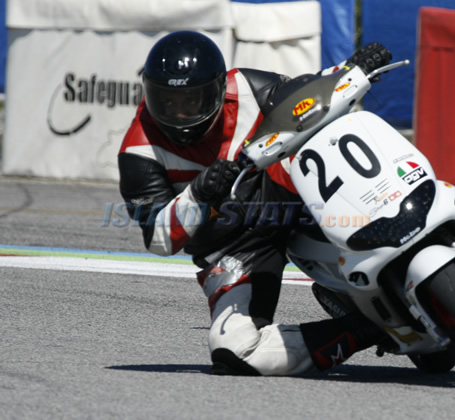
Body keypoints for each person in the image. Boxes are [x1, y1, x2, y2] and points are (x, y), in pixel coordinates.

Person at [118, 30, 393, 375]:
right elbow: (158, 238)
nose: (180, 114)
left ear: (219, 90)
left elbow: (306, 96)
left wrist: (350, 71)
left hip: (293, 197)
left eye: (192, 100)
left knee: (317, 136)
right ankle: (366, 328)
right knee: (234, 352)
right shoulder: (139, 149)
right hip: (232, 246)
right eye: (167, 101)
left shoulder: (247, 88)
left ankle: (397, 214)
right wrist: (198, 193)